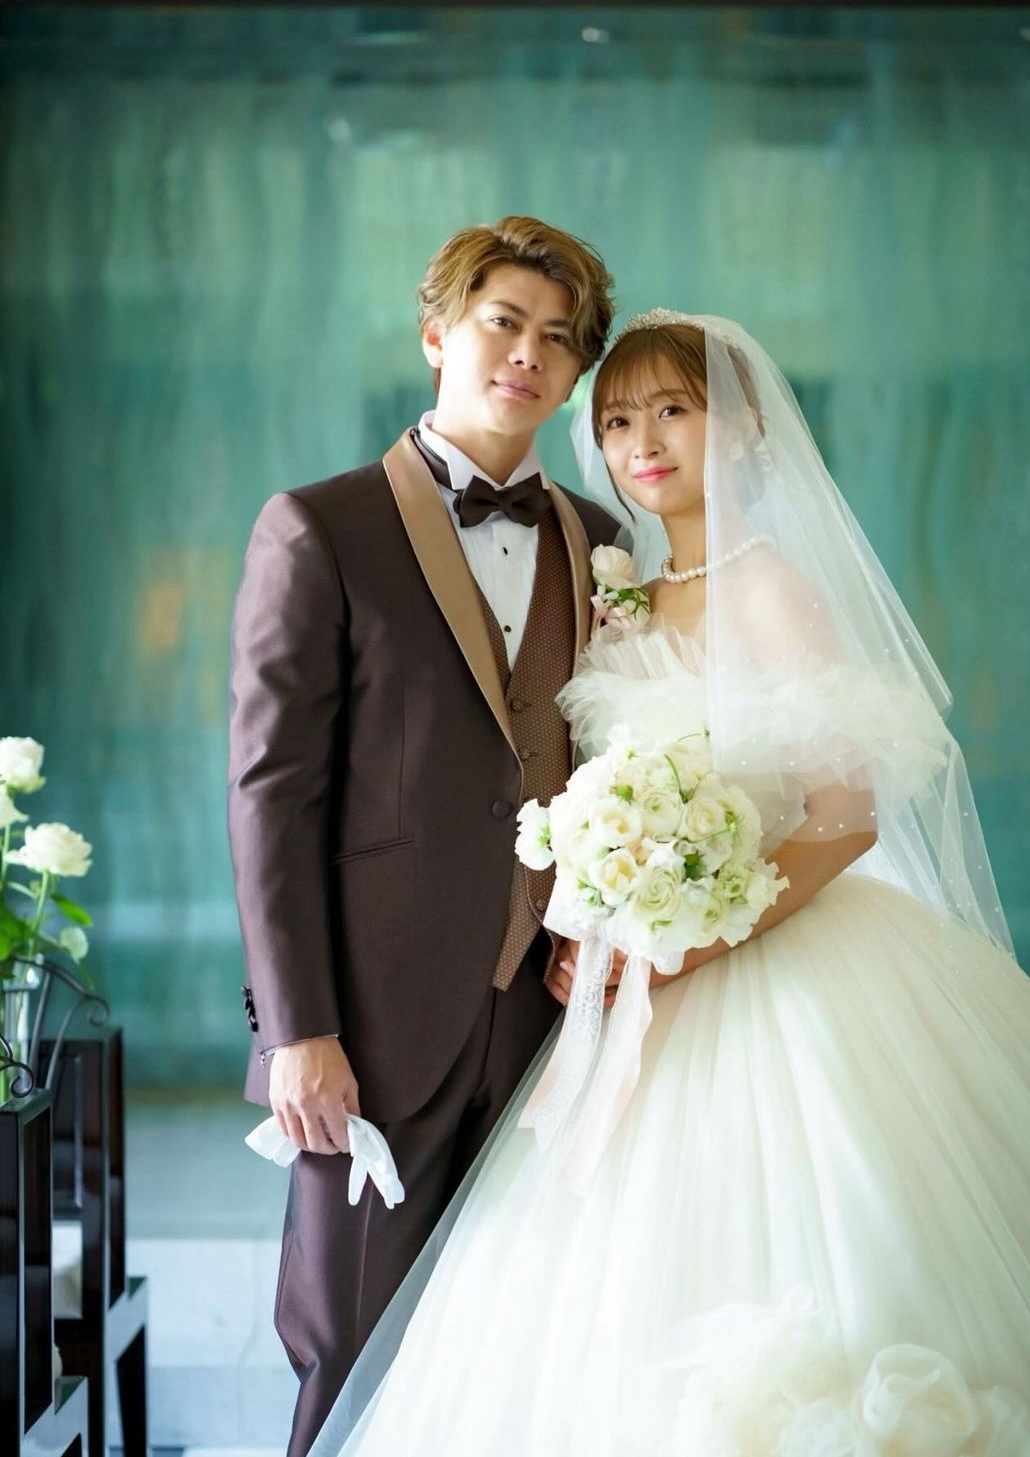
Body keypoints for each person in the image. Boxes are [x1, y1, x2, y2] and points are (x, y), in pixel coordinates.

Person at [303, 312, 1030, 1457]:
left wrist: (698, 935)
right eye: (619, 420)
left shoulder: (771, 589)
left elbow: (847, 815)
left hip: (783, 953)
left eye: (674, 410)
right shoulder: (624, 593)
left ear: (747, 426)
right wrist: (599, 919)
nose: (642, 443)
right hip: (643, 975)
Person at [226, 215, 623, 1456]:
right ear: (438, 332)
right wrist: (298, 1029)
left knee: (531, 1355)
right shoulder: (319, 527)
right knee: (350, 1347)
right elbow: (271, 795)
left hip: (547, 1018)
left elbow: (618, 766)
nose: (529, 354)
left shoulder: (602, 543)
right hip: (369, 1026)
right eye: (504, 322)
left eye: (558, 337)